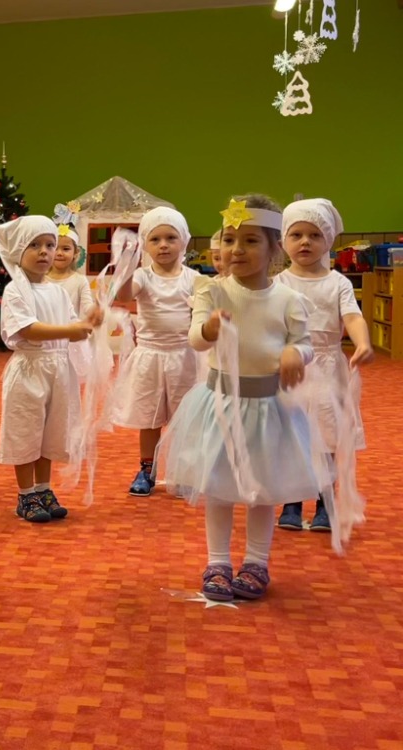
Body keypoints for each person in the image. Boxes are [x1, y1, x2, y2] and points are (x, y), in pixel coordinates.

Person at [160, 195, 320, 601]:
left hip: (269, 409)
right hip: (220, 405)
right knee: (218, 486)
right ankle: (217, 561)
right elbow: (196, 339)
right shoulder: (212, 292)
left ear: (274, 248)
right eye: (230, 240)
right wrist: (210, 329)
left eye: (250, 241)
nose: (236, 249)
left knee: (262, 489)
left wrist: (295, 353)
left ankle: (256, 561)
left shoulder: (288, 299)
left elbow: (305, 343)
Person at [275, 198, 373, 531]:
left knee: (327, 436)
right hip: (290, 367)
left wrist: (362, 342)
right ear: (283, 241)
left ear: (328, 240)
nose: (305, 242)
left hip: (329, 367)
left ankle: (325, 501)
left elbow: (353, 317)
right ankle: (291, 500)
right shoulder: (279, 284)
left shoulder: (338, 283)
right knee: (291, 435)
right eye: (297, 234)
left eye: (315, 235)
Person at [0, 216, 102, 523]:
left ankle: (43, 488)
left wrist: (88, 322)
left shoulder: (58, 291)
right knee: (26, 432)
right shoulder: (16, 290)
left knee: (50, 433)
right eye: (34, 245)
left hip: (58, 370)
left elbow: (73, 326)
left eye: (49, 245)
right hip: (29, 370)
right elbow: (28, 329)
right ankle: (25, 494)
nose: (45, 251)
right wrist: (70, 330)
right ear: (18, 251)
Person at [113, 207, 200, 496]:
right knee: (149, 418)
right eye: (155, 239)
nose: (163, 245)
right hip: (150, 357)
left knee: (183, 419)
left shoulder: (192, 278)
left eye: (171, 238)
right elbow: (124, 295)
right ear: (145, 245)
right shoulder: (142, 276)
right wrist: (126, 267)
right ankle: (146, 470)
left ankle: (184, 471)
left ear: (183, 240)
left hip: (184, 357)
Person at [46, 220, 95, 381]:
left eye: (66, 249)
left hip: (70, 339)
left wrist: (95, 311)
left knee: (68, 382)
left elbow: (87, 306)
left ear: (76, 253)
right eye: (54, 247)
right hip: (46, 336)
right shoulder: (41, 279)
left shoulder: (80, 280)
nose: (59, 253)